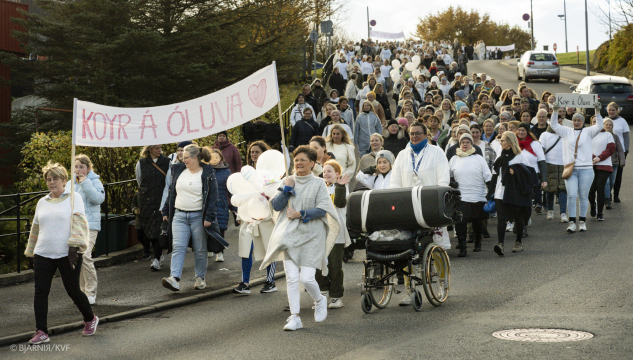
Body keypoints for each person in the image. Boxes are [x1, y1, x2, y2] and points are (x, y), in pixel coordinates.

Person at [260, 145, 340, 331]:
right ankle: (295, 317)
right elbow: (277, 206)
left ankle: (319, 299)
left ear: (312, 163)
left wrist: (300, 213)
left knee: (306, 278)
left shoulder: (319, 183)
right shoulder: (287, 181)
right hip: (290, 235)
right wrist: (287, 189)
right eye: (296, 160)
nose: (299, 163)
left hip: (312, 235)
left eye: (303, 160)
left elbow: (323, 209)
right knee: (292, 278)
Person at [25, 162, 98, 344]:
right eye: (49, 179)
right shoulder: (42, 202)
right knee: (40, 292)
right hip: (43, 253)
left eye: (55, 179)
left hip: (67, 253)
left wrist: (76, 246)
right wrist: (31, 252)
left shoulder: (74, 198)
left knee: (73, 290)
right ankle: (41, 331)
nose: (52, 182)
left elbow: (81, 223)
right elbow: (35, 228)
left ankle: (90, 318)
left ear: (64, 180)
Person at [390, 122, 450, 305]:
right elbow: (395, 183)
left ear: (426, 135)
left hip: (430, 207)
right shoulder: (402, 155)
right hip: (408, 208)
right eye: (411, 133)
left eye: (418, 134)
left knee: (435, 246)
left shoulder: (436, 152)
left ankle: (442, 282)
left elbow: (443, 180)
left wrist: (436, 202)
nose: (414, 137)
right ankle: (409, 290)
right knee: (409, 251)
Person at [161, 145, 223, 291]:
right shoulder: (178, 170)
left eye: (186, 157)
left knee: (200, 249)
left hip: (198, 217)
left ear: (195, 158)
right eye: (182, 157)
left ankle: (200, 278)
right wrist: (165, 210)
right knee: (178, 247)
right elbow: (171, 192)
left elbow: (214, 197)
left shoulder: (207, 172)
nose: (183, 159)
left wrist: (209, 217)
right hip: (179, 215)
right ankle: (174, 279)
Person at [550, 102, 603, 233]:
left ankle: (582, 222)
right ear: (572, 121)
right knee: (572, 195)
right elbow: (553, 125)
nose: (576, 122)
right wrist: (555, 111)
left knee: (584, 197)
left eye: (579, 120)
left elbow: (600, 125)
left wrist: (597, 111)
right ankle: (572, 222)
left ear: (583, 121)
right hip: (571, 169)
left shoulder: (588, 131)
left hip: (586, 169)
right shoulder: (566, 131)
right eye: (574, 120)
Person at [64, 154, 104, 305]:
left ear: (88, 168)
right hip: (75, 226)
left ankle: (91, 291)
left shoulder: (95, 181)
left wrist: (85, 183)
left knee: (86, 255)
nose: (78, 170)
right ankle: (81, 292)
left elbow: (98, 199)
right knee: (78, 257)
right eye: (76, 167)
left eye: (81, 167)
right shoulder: (70, 184)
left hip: (90, 225)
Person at [487, 132, 532, 256]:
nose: (500, 143)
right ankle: (500, 244)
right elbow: (495, 175)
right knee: (501, 218)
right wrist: (490, 193)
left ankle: (518, 241)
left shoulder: (521, 156)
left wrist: (516, 171)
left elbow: (529, 174)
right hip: (500, 193)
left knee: (518, 217)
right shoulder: (500, 157)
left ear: (510, 142)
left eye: (503, 141)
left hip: (515, 193)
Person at [316, 160, 351, 309]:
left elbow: (340, 203)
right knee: (319, 264)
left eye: (329, 171)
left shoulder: (342, 188)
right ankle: (322, 292)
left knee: (335, 266)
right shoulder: (319, 188)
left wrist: (341, 186)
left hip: (336, 234)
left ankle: (336, 296)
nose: (326, 174)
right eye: (324, 171)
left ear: (337, 174)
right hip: (320, 232)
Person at [449, 133, 492, 256]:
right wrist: (452, 183)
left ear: (471, 144)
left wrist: (490, 193)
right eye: (463, 142)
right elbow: (449, 176)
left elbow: (488, 176)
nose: (465, 144)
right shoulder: (453, 159)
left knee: (477, 221)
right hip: (461, 196)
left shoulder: (479, 158)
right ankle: (463, 247)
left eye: (468, 142)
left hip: (478, 194)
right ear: (459, 144)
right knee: (460, 222)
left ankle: (478, 243)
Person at [135, 145, 169, 271]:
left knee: (159, 229)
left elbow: (169, 182)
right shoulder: (141, 163)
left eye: (161, 147)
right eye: (156, 148)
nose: (160, 150)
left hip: (162, 200)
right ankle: (157, 256)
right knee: (149, 229)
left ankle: (157, 258)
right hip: (147, 201)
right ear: (150, 149)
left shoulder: (167, 162)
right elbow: (140, 180)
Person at [204, 148, 231, 263]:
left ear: (221, 158)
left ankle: (220, 252)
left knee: (221, 229)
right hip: (208, 204)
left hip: (221, 204)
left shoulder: (226, 171)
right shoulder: (204, 170)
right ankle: (209, 248)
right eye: (212, 157)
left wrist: (235, 208)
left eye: (216, 157)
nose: (214, 160)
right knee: (208, 228)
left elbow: (230, 190)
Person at [516, 123, 547, 221]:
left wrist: (544, 179)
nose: (521, 132)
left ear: (527, 132)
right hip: (517, 175)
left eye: (523, 130)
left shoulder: (535, 144)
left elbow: (542, 161)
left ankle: (527, 216)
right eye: (519, 130)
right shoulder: (513, 143)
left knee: (528, 198)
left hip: (532, 174)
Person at [540, 118, 569, 222]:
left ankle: (563, 213)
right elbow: (541, 150)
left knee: (563, 189)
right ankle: (550, 210)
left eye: (560, 122)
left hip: (563, 164)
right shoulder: (544, 135)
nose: (558, 124)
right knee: (549, 189)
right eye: (556, 122)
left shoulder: (566, 132)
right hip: (549, 164)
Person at [588, 117, 615, 221]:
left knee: (600, 188)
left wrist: (599, 157)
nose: (596, 123)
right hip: (590, 165)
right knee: (591, 190)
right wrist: (593, 156)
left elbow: (611, 149)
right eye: (594, 121)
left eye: (598, 121)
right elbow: (583, 147)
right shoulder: (588, 134)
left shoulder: (608, 135)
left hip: (604, 166)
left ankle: (600, 213)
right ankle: (592, 205)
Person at [607, 102, 629, 203]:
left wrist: (626, 150)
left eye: (613, 110)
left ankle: (616, 194)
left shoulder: (622, 121)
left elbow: (626, 136)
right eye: (609, 110)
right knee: (607, 175)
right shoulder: (605, 121)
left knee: (618, 175)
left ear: (617, 111)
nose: (611, 112)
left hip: (620, 152)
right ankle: (608, 194)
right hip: (607, 152)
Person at [605, 119, 625, 209]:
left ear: (612, 127)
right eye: (606, 124)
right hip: (604, 163)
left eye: (610, 125)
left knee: (612, 181)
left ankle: (608, 194)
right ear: (603, 125)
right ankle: (607, 199)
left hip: (614, 164)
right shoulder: (600, 136)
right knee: (607, 182)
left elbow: (620, 149)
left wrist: (622, 161)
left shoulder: (615, 137)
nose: (608, 126)